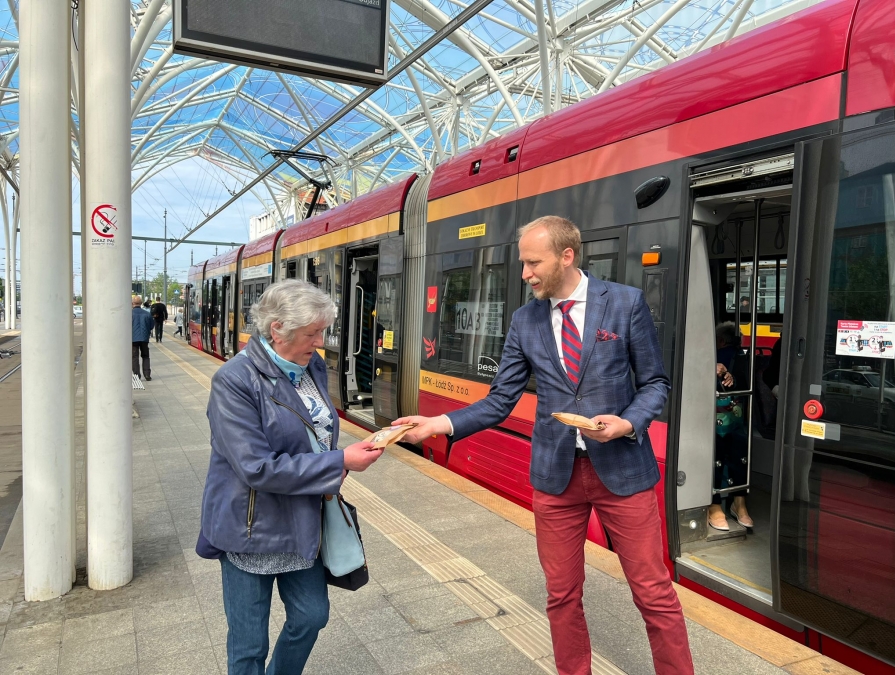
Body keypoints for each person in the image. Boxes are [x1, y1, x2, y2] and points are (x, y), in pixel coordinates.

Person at [395, 216, 692, 675]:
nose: (525, 274)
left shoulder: (625, 303)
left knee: (653, 592)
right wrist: (439, 423)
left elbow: (655, 383)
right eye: (523, 263)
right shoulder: (525, 319)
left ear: (566, 256)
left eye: (534, 263)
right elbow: (500, 400)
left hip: (622, 470)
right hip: (556, 477)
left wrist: (627, 423)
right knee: (561, 595)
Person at [197, 279, 383, 674]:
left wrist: (343, 456)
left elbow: (314, 431)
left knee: (312, 616)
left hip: (301, 518)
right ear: (277, 329)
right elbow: (256, 467)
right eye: (312, 333)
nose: (320, 342)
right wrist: (338, 462)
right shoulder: (234, 380)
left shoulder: (309, 365)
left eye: (322, 331)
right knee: (249, 644)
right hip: (251, 529)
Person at [710, 322, 752, 530]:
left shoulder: (715, 356)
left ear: (720, 340)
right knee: (739, 457)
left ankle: (715, 505)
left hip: (716, 417)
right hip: (738, 417)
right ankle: (739, 504)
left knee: (716, 457)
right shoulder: (745, 357)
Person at [131, 295, 154, 381]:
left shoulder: (129, 314)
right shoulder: (147, 314)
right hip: (144, 338)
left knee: (134, 357)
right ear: (141, 303)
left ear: (132, 303)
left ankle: (137, 375)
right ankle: (147, 374)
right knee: (145, 356)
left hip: (133, 339)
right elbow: (151, 326)